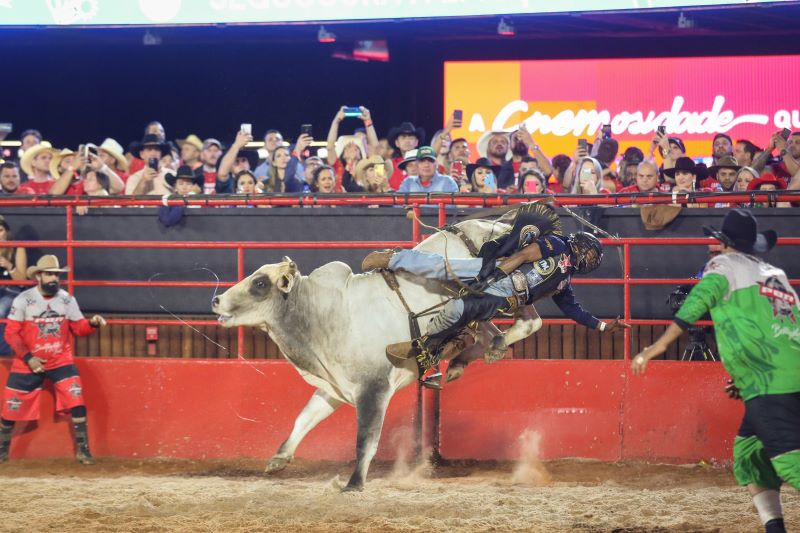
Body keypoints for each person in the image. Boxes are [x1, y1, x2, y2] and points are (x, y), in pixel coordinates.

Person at [631, 209, 798, 533]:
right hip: (777, 374)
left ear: (724, 243)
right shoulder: (775, 273)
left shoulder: (723, 266)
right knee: (749, 455)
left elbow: (694, 304)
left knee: (790, 462)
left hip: (771, 382)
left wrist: (656, 348)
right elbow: (781, 326)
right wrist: (743, 376)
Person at [364, 203, 629, 386]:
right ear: (580, 246)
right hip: (495, 271)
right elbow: (525, 254)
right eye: (590, 254)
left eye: (593, 258)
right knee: (443, 268)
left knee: (458, 310)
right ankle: (393, 258)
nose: (590, 260)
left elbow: (575, 311)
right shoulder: (558, 245)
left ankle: (427, 350)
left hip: (503, 297)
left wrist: (604, 326)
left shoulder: (563, 283)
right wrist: (493, 275)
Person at [0, 255, 107, 464]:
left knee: (77, 400)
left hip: (60, 360)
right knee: (10, 407)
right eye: (49, 274)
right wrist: (30, 358)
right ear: (38, 276)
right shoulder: (23, 300)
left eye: (57, 275)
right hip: (28, 361)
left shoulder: (67, 299)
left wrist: (92, 324)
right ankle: (2, 449)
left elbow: (78, 328)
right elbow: (11, 334)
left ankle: (83, 450)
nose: (54, 279)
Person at [0, 216, 27, 355]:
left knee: (1, 311)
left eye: (0, 230)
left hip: (12, 290)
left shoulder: (17, 247)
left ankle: (2, 355)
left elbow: (22, 280)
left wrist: (9, 265)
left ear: (6, 232)